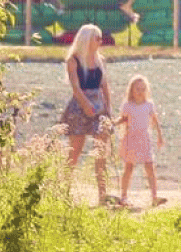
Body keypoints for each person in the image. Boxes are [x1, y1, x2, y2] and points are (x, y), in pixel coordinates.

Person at [61, 24, 116, 206]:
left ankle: (102, 195)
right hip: (80, 107)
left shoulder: (100, 60)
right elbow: (76, 88)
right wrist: (86, 105)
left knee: (101, 151)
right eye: (97, 38)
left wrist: (108, 110)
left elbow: (105, 87)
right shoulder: (74, 61)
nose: (100, 41)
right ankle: (63, 192)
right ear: (87, 39)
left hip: (99, 107)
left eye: (100, 38)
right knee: (75, 152)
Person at [116, 74, 166, 207]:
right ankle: (124, 196)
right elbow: (124, 119)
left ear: (147, 90)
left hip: (145, 139)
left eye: (143, 89)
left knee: (150, 167)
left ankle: (154, 197)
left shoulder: (149, 105)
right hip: (131, 139)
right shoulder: (128, 105)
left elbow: (155, 121)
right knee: (129, 167)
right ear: (131, 90)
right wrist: (113, 123)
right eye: (137, 89)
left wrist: (160, 137)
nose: (140, 92)